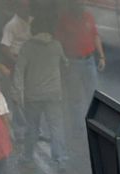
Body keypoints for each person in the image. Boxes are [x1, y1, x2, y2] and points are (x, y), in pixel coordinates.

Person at [14, 14, 69, 165]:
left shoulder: (27, 47)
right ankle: (60, 158)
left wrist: (17, 93)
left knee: (32, 127)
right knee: (56, 127)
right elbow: (65, 64)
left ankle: (28, 157)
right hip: (53, 94)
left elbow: (19, 71)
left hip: (33, 95)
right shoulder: (56, 45)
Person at [55, 0, 106, 131]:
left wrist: (101, 56)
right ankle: (78, 128)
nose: (80, 6)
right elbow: (58, 42)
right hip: (73, 62)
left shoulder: (88, 16)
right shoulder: (64, 19)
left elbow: (95, 36)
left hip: (89, 60)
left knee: (93, 94)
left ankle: (95, 124)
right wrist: (63, 60)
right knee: (75, 97)